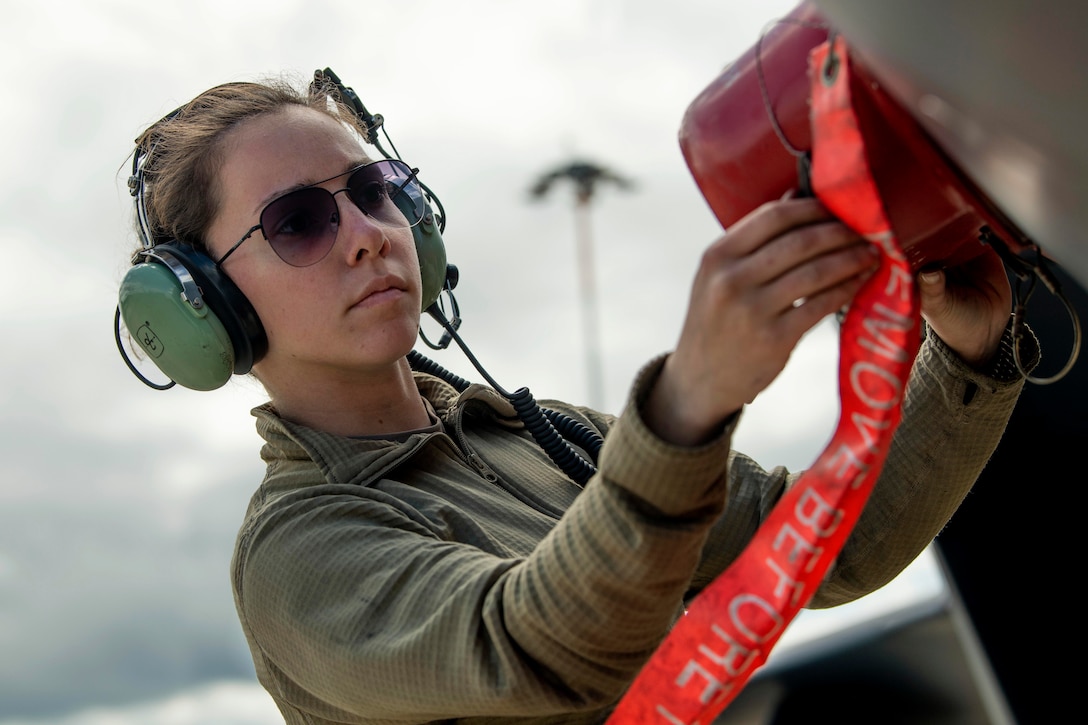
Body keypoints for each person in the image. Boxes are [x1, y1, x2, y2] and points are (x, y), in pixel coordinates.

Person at [119, 72, 1037, 725]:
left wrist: (965, 350)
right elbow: (536, 646)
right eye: (299, 222)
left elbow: (840, 546)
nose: (367, 235)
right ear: (212, 308)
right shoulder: (301, 550)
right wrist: (682, 409)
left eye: (374, 192)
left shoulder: (544, 435)